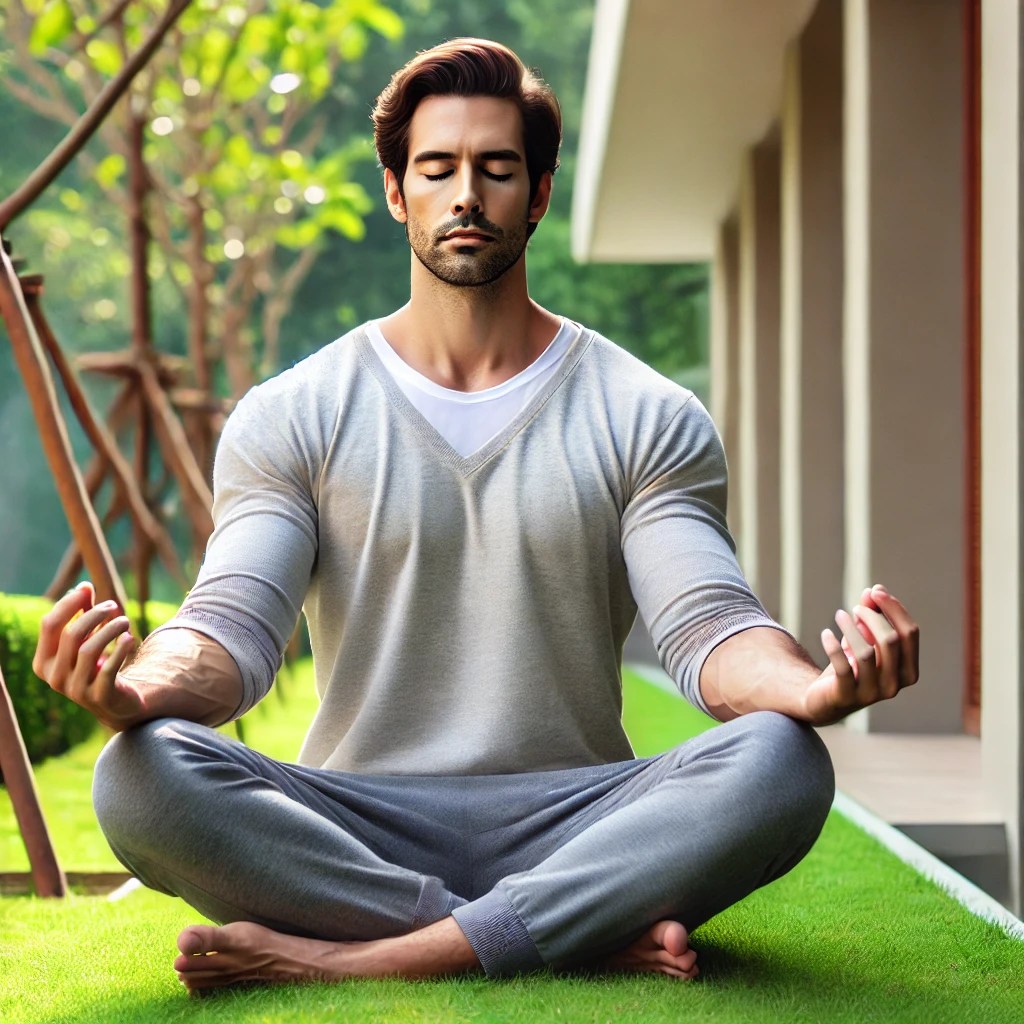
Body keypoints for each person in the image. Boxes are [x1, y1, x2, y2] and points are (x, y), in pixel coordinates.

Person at [33, 38, 919, 995]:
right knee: (138, 773)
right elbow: (231, 629)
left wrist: (813, 691)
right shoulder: (294, 414)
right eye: (438, 169)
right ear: (394, 190)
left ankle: (352, 958)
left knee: (784, 761)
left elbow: (708, 628)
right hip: (357, 819)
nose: (467, 195)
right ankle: (559, 928)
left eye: (497, 170)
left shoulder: (646, 414)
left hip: (576, 814)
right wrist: (135, 690)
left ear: (536, 195)